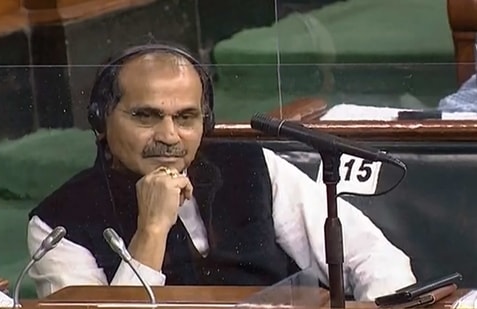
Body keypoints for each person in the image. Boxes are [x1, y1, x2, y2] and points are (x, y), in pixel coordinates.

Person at [26, 44, 416, 300]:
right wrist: (151, 233)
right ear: (101, 121)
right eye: (145, 116)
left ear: (205, 123)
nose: (169, 136)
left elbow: (371, 257)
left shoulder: (251, 165)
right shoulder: (58, 224)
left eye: (186, 117)